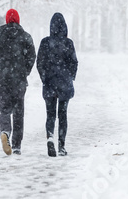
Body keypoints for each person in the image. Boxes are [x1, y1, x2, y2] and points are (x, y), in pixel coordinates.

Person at [0, 9, 36, 156]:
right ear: (18, 20)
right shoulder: (25, 37)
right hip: (19, 80)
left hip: (3, 80)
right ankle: (16, 146)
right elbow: (32, 57)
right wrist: (24, 71)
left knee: (4, 110)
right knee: (19, 112)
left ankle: (5, 132)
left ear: (7, 20)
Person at [37, 13, 78, 157]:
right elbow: (74, 62)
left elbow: (39, 63)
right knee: (63, 115)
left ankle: (50, 138)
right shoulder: (68, 43)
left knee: (50, 114)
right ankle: (61, 145)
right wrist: (70, 77)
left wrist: (44, 78)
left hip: (49, 84)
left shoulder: (45, 42)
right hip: (64, 85)